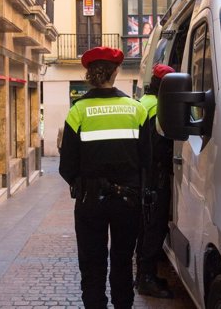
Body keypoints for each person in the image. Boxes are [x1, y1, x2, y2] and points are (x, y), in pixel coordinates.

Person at [59, 46, 151, 309]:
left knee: (92, 263)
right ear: (117, 71)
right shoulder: (136, 110)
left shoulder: (78, 111)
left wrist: (82, 183)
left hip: (90, 201)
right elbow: (146, 160)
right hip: (128, 200)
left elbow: (66, 166)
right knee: (122, 261)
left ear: (89, 74)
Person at [135, 63, 175, 298]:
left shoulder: (142, 104)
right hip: (155, 176)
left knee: (145, 227)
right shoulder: (159, 107)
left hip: (142, 176)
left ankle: (144, 274)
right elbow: (158, 148)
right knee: (154, 227)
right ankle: (146, 278)